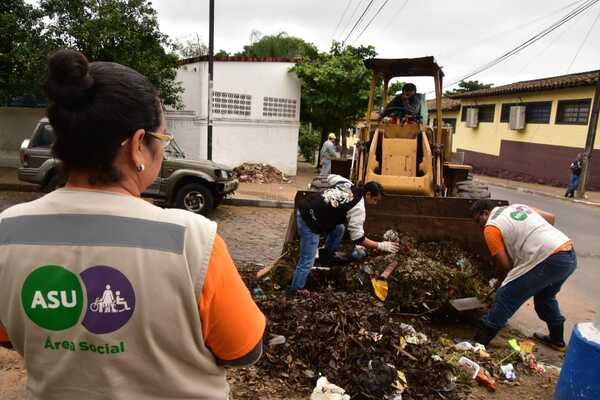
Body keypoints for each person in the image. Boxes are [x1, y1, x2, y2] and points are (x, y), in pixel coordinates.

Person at [0, 49, 265, 399]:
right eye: (163, 140)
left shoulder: (7, 232)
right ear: (139, 146)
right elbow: (244, 350)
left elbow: (9, 336)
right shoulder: (193, 242)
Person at [470, 200, 577, 351]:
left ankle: (477, 343)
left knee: (505, 296)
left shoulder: (491, 228)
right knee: (545, 298)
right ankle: (556, 340)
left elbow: (505, 265)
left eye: (478, 220)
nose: (479, 225)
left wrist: (501, 282)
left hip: (548, 260)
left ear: (485, 213)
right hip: (567, 254)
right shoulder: (518, 207)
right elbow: (551, 218)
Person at [290, 175, 400, 292]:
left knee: (339, 229)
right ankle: (295, 290)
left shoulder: (347, 183)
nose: (375, 203)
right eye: (375, 200)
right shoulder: (359, 208)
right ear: (368, 194)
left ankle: (327, 256)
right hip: (309, 221)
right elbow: (358, 239)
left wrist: (325, 198)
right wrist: (381, 245)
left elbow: (330, 177)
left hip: (306, 205)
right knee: (307, 261)